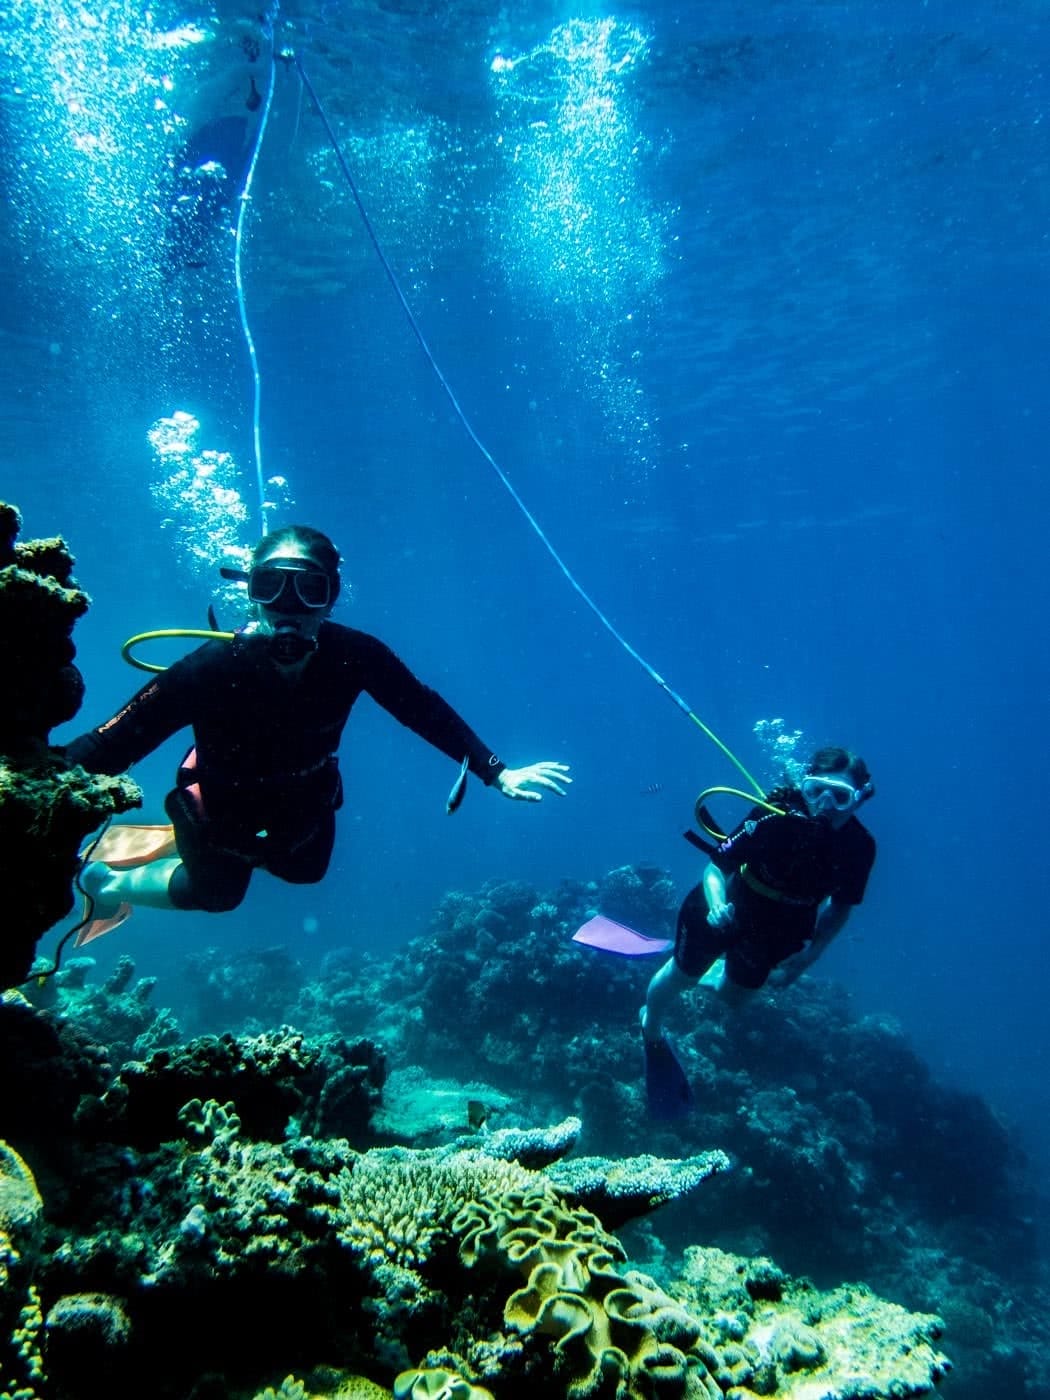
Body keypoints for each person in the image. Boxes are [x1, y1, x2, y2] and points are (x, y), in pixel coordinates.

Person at [65, 526, 570, 921]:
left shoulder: (354, 655)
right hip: (220, 809)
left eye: (309, 589)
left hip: (306, 802)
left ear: (331, 597)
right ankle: (109, 883)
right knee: (218, 895)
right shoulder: (210, 669)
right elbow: (110, 745)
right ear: (252, 594)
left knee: (306, 873)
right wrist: (31, 778)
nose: (289, 608)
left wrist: (496, 771)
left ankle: (178, 842)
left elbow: (423, 709)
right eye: (270, 586)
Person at [640, 747, 875, 1116]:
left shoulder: (860, 848)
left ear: (860, 799)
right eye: (815, 791)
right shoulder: (773, 816)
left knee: (734, 1000)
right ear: (804, 786)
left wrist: (810, 956)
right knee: (680, 977)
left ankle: (713, 971)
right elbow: (716, 868)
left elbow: (841, 906)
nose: (825, 804)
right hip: (726, 907)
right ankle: (650, 1026)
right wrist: (717, 906)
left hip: (779, 930)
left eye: (840, 796)